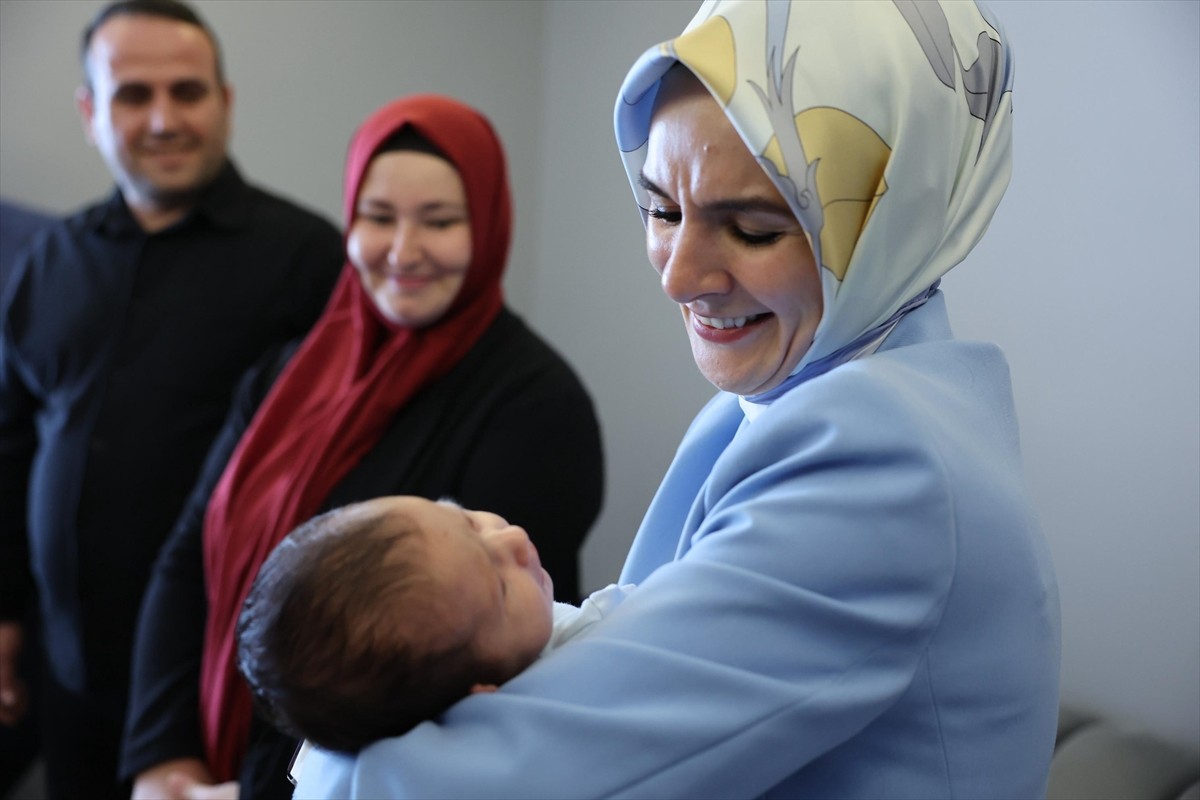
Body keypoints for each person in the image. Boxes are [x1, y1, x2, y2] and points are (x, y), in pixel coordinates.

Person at [294, 1, 1062, 798]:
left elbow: (511, 776)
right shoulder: (794, 397)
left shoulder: (878, 458)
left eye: (755, 229)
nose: (677, 275)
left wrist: (323, 737)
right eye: (661, 208)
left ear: (893, 212)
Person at [121, 93, 605, 800]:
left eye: (439, 221)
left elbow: (450, 666)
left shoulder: (535, 406)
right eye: (378, 218)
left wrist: (256, 791)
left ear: (489, 226)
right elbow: (190, 553)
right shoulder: (285, 372)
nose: (403, 251)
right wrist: (164, 757)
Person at [0, 1, 343, 797]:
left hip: (229, 684)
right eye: (132, 96)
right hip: (67, 675)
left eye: (187, 92)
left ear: (225, 102)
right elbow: (10, 445)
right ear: (91, 113)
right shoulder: (49, 261)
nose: (163, 119)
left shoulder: (307, 262)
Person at [236, 495, 632, 756]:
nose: (511, 537)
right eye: (499, 587)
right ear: (478, 695)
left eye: (465, 520)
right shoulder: (593, 660)